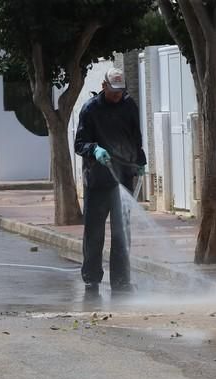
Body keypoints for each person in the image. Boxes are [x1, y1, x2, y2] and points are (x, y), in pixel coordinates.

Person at [74, 67, 147, 294]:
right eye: (113, 91)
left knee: (122, 232)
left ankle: (121, 280)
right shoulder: (90, 109)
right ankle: (92, 279)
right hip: (97, 179)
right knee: (94, 232)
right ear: (104, 86)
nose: (117, 96)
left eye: (120, 92)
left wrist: (140, 161)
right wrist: (94, 149)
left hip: (123, 177)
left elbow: (136, 137)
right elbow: (79, 144)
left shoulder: (128, 106)